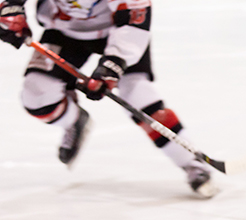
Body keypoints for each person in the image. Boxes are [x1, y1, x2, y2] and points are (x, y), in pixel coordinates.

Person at [0, 0, 216, 197]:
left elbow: (134, 20)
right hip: (63, 30)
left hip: (117, 30)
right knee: (37, 96)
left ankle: (193, 164)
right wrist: (11, 8)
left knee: (139, 96)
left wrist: (112, 67)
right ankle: (74, 121)